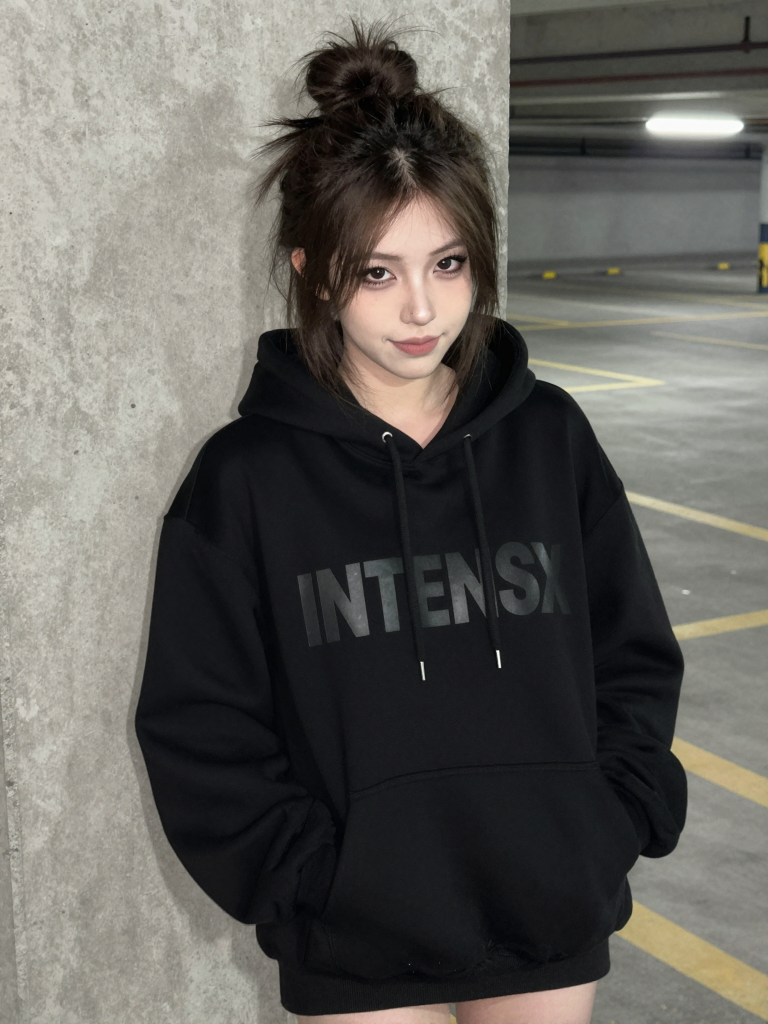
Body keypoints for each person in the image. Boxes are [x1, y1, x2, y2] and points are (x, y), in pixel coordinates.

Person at [134, 17, 688, 1024]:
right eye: (377, 272)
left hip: (550, 913)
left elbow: (634, 655)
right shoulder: (246, 478)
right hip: (358, 941)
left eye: (449, 263)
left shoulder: (550, 438)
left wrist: (611, 818)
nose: (421, 310)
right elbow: (198, 722)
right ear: (315, 272)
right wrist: (313, 882)